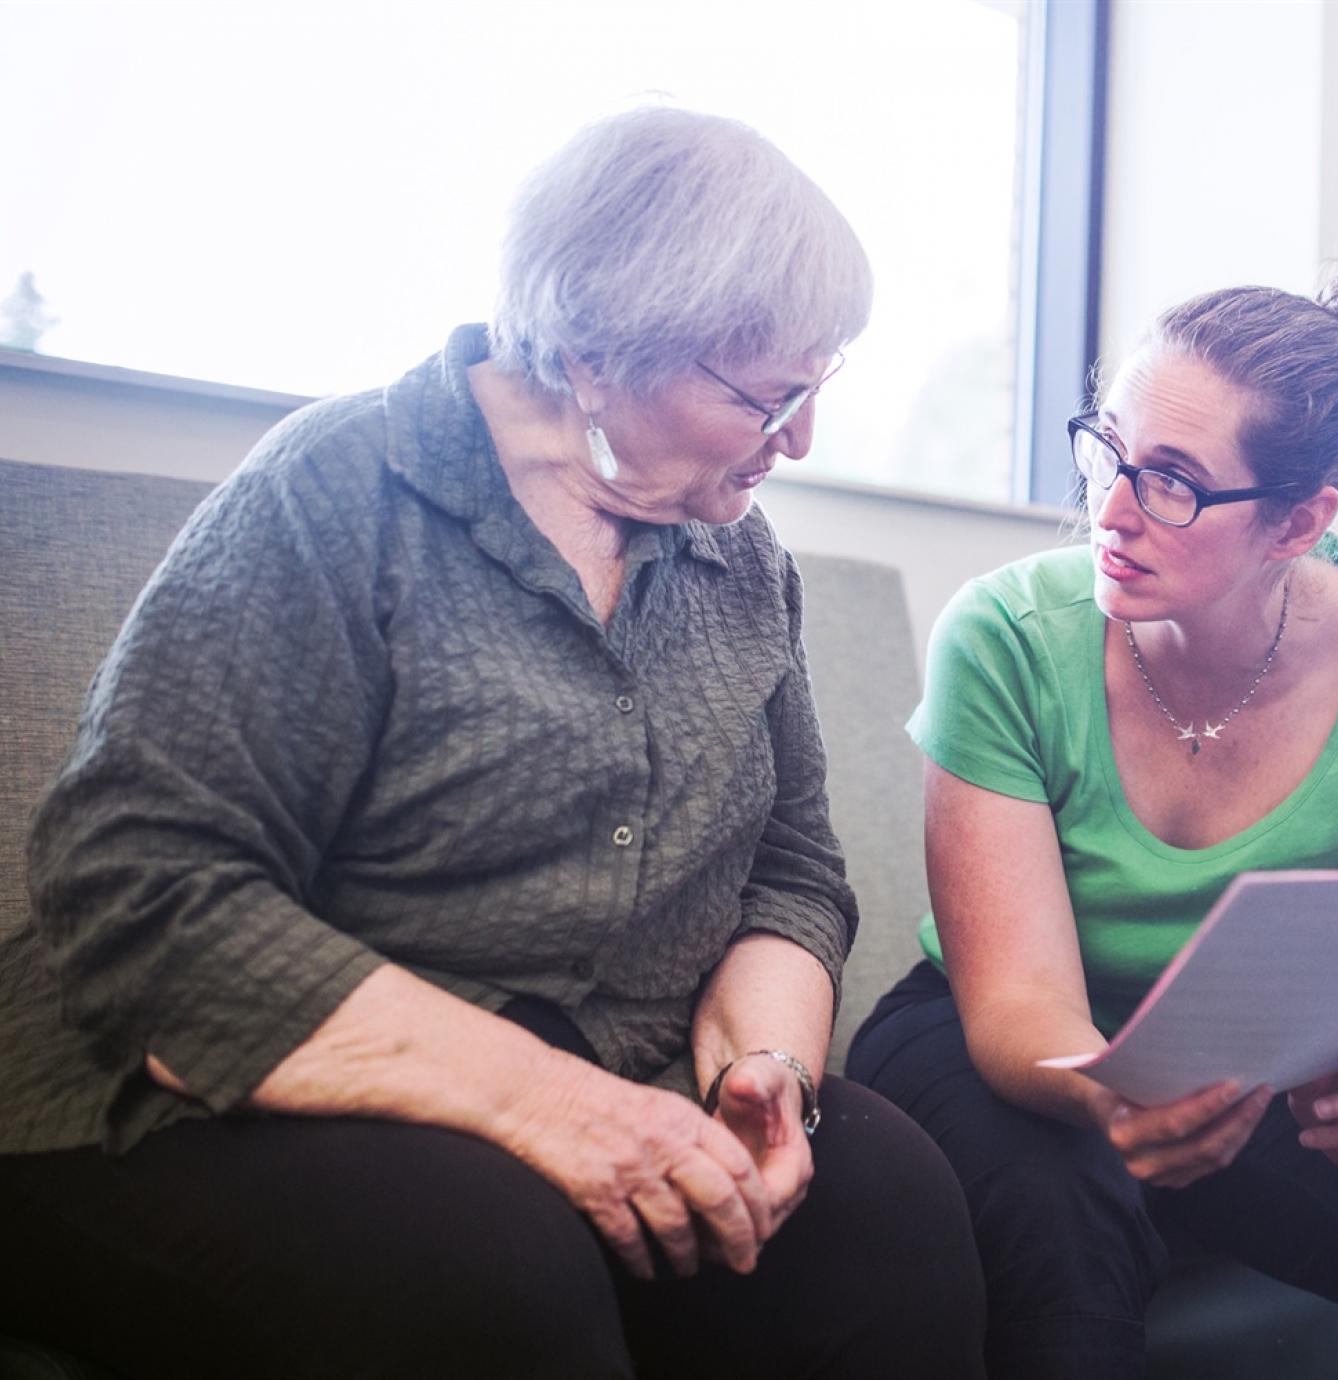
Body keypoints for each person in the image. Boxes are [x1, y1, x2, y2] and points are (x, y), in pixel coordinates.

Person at [0, 107, 984, 1380]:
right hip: (214, 1092)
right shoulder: (339, 492)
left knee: (888, 1205)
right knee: (488, 1265)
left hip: (617, 1067)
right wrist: (558, 1110)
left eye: (816, 388)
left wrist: (769, 1071)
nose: (797, 440)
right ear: (591, 351)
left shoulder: (740, 560)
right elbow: (143, 891)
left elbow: (791, 875)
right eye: (766, 394)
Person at [847, 264, 1338, 1379]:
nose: (1112, 508)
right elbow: (1017, 1003)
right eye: (1111, 451)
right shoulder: (1003, 634)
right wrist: (1120, 1098)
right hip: (1004, 1038)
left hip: (1239, 1063)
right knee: (1065, 1206)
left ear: (1297, 522)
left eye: (1172, 482)